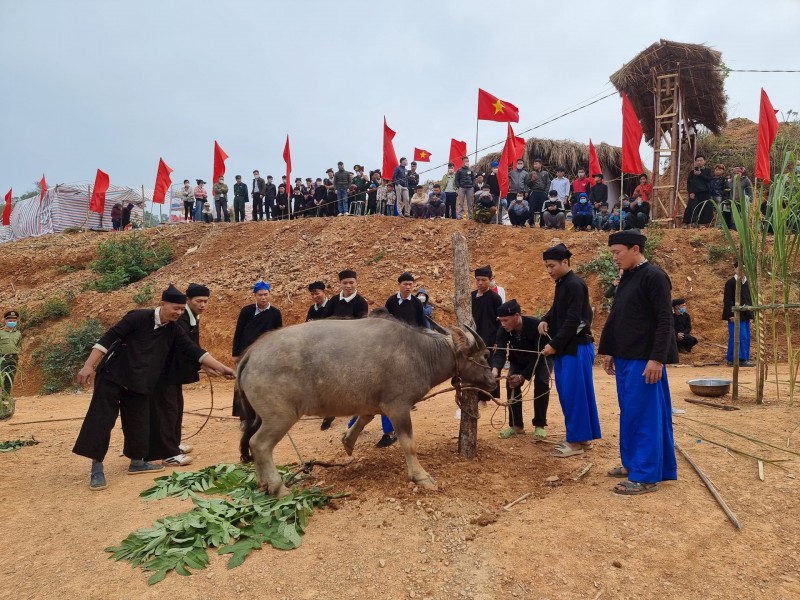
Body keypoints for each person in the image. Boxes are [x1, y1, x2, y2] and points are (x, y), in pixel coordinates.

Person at [72, 285, 235, 491]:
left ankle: (137, 462)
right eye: (175, 308)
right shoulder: (138, 317)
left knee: (139, 421)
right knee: (101, 421)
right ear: (163, 304)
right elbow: (108, 338)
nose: (178, 313)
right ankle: (97, 468)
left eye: (182, 309)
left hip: (140, 381)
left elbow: (193, 351)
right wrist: (88, 365)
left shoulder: (174, 328)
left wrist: (222, 368)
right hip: (113, 376)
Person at [599, 229, 678, 495]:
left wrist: (657, 358)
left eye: (617, 252)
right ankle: (634, 463)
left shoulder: (654, 277)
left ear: (635, 250)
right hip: (625, 357)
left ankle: (645, 475)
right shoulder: (628, 277)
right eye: (612, 253)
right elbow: (619, 316)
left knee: (645, 416)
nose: (614, 258)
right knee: (630, 413)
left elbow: (665, 320)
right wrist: (610, 350)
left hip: (644, 360)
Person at [539, 244, 601, 458]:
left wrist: (554, 344)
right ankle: (583, 437)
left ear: (565, 262)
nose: (549, 271)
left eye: (552, 266)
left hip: (576, 347)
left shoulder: (574, 284)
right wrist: (545, 319)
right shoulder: (562, 283)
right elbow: (557, 310)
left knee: (574, 394)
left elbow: (574, 320)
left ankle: (575, 442)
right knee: (573, 394)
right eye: (546, 267)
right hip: (568, 348)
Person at [147, 283, 211, 467]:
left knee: (175, 408)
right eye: (199, 301)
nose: (203, 305)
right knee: (166, 411)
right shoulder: (180, 320)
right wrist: (203, 362)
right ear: (188, 300)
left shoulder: (192, 318)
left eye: (206, 301)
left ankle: (173, 445)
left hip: (174, 374)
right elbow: (185, 348)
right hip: (163, 372)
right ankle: (168, 453)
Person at [492, 300, 552, 440]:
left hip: (541, 358)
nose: (503, 324)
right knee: (511, 383)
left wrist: (523, 376)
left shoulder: (536, 325)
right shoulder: (503, 330)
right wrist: (495, 370)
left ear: (517, 315)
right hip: (518, 359)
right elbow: (500, 353)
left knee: (541, 383)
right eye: (501, 320)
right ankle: (516, 426)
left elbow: (538, 355)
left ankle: (540, 425)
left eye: (506, 320)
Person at [232, 281, 283, 422]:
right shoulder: (246, 311)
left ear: (270, 295)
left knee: (264, 383)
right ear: (255, 295)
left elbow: (277, 335)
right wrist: (236, 353)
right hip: (246, 353)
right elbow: (238, 332)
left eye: (266, 294)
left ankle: (262, 415)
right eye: (260, 295)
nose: (263, 298)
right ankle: (243, 417)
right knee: (242, 383)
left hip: (266, 355)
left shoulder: (275, 313)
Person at [472, 265, 502, 406]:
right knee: (474, 367)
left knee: (488, 367)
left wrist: (497, 340)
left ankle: (485, 398)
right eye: (478, 280)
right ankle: (475, 396)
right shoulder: (470, 296)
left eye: (483, 280)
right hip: (473, 337)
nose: (480, 283)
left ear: (490, 280)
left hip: (489, 337)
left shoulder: (495, 298)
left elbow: (500, 321)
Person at [723, 261, 754, 367]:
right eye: (740, 269)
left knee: (745, 337)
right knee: (736, 336)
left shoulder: (746, 282)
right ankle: (732, 359)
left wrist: (751, 313)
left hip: (745, 315)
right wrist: (730, 314)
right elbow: (727, 300)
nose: (742, 271)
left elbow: (749, 299)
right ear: (735, 269)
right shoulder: (731, 282)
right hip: (735, 314)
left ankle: (743, 358)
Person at [0, 310, 22, 417]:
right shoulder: (0, 333)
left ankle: (5, 403)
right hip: (2, 359)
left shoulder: (18, 334)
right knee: (1, 379)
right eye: (10, 320)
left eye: (14, 320)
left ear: (17, 321)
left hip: (13, 358)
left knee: (9, 380)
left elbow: (18, 345)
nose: (12, 322)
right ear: (5, 320)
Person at [685, 154, 714, 226]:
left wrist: (701, 174)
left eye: (701, 160)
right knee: (692, 207)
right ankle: (690, 223)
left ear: (704, 161)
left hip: (705, 192)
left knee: (705, 208)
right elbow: (689, 183)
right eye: (697, 161)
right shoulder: (692, 172)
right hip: (694, 193)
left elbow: (710, 179)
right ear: (695, 162)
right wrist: (690, 192)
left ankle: (704, 223)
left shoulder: (708, 170)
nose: (699, 162)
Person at [527, 158, 550, 227]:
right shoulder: (531, 173)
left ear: (540, 164)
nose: (535, 165)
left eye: (536, 164)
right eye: (534, 164)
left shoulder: (545, 173)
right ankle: (531, 223)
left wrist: (546, 192)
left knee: (542, 209)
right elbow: (528, 184)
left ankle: (542, 224)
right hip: (534, 192)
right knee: (532, 208)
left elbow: (548, 183)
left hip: (542, 193)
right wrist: (532, 180)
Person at [455, 156, 475, 220]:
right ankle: (460, 215)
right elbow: (456, 179)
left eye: (468, 161)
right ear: (463, 162)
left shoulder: (471, 170)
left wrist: (473, 185)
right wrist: (459, 186)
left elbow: (473, 178)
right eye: (466, 161)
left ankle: (471, 216)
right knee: (461, 202)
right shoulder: (459, 170)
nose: (467, 162)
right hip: (462, 188)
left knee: (470, 202)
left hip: (470, 188)